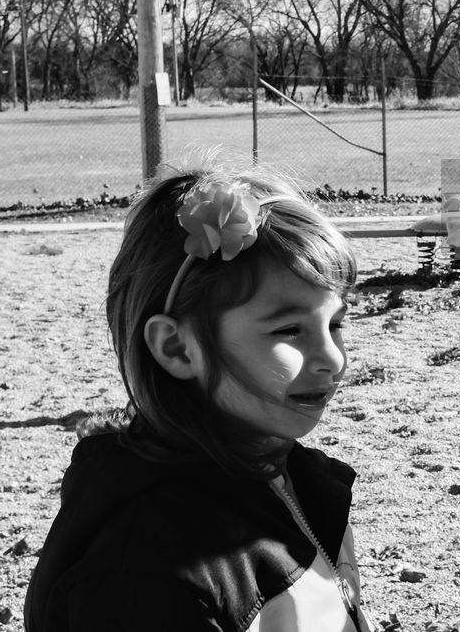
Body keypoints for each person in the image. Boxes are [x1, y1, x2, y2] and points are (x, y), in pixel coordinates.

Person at [25, 161, 373, 631]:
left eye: (335, 324)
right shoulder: (143, 573)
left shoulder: (288, 474)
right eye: (289, 330)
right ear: (176, 347)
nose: (332, 359)